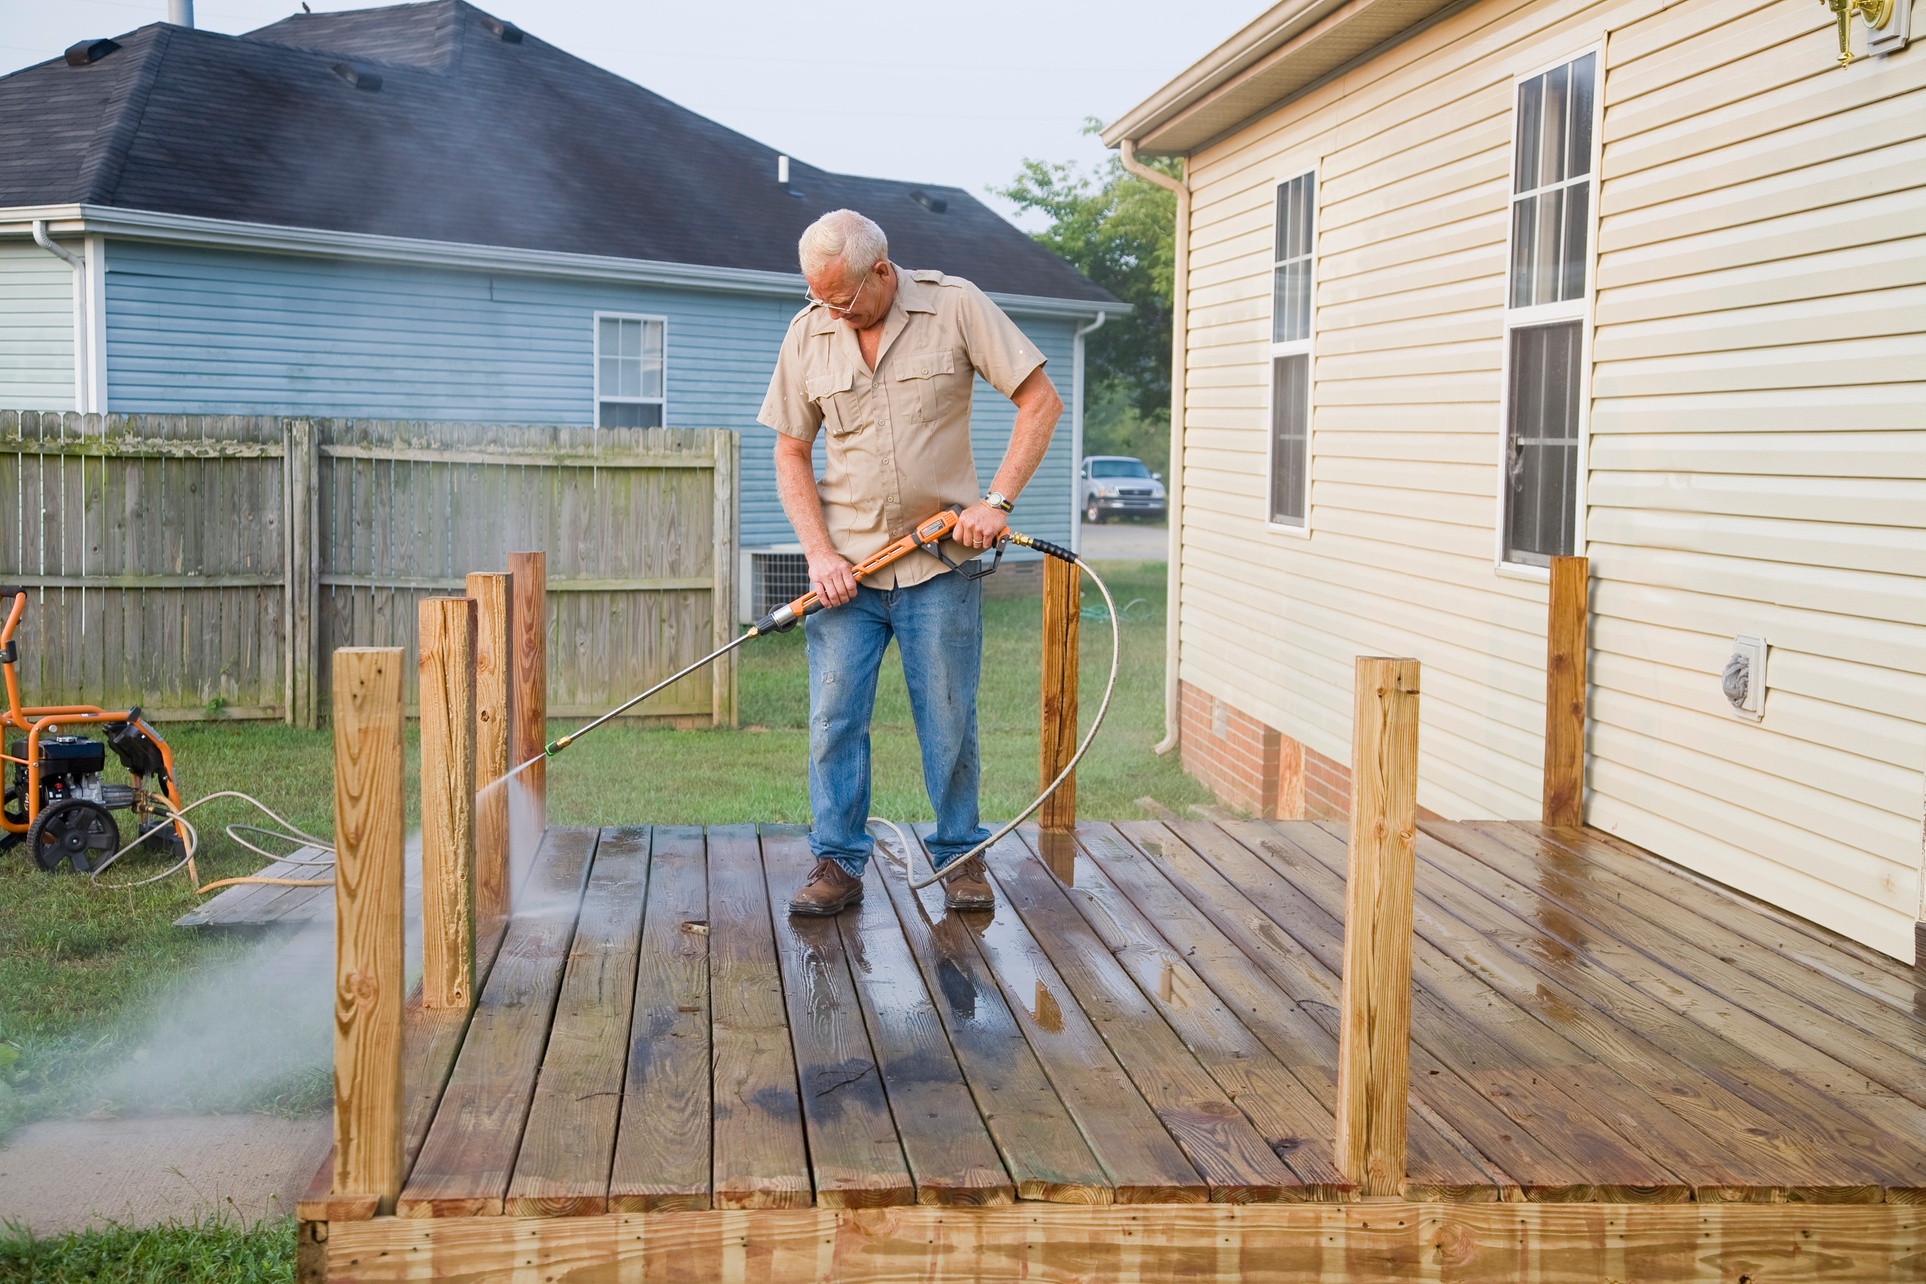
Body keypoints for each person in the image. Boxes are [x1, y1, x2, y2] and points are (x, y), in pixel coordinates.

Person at [758, 209, 1062, 915]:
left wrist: (998, 501)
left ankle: (960, 858)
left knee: (949, 718)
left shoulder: (955, 306)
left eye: (840, 296)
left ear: (882, 272)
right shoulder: (808, 332)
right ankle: (836, 863)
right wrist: (818, 553)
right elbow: (790, 451)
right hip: (847, 578)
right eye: (818, 295)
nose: (828, 309)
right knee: (834, 719)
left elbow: (1039, 401)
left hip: (939, 566)